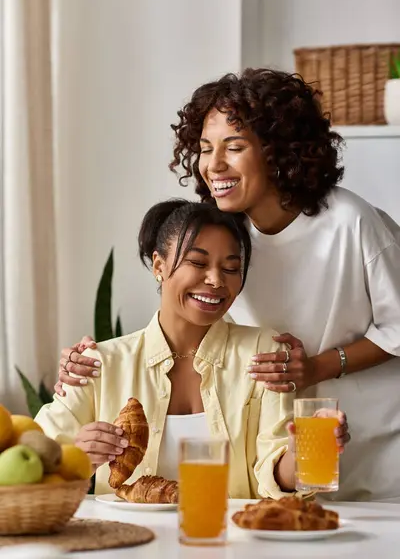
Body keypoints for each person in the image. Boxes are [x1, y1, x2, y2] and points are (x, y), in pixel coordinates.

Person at [55, 69, 400, 503]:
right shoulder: (226, 229)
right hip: (285, 441)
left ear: (278, 153)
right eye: (203, 149)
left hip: (373, 440)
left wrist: (317, 368)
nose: (213, 164)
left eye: (233, 147)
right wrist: (93, 365)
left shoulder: (351, 221)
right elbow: (185, 307)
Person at [40, 200, 349, 495]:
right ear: (159, 265)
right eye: (198, 263)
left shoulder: (262, 351)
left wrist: (306, 451)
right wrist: (78, 456)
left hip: (231, 543)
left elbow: (276, 473)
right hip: (129, 544)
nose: (216, 280)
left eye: (230, 268)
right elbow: (29, 458)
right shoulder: (99, 363)